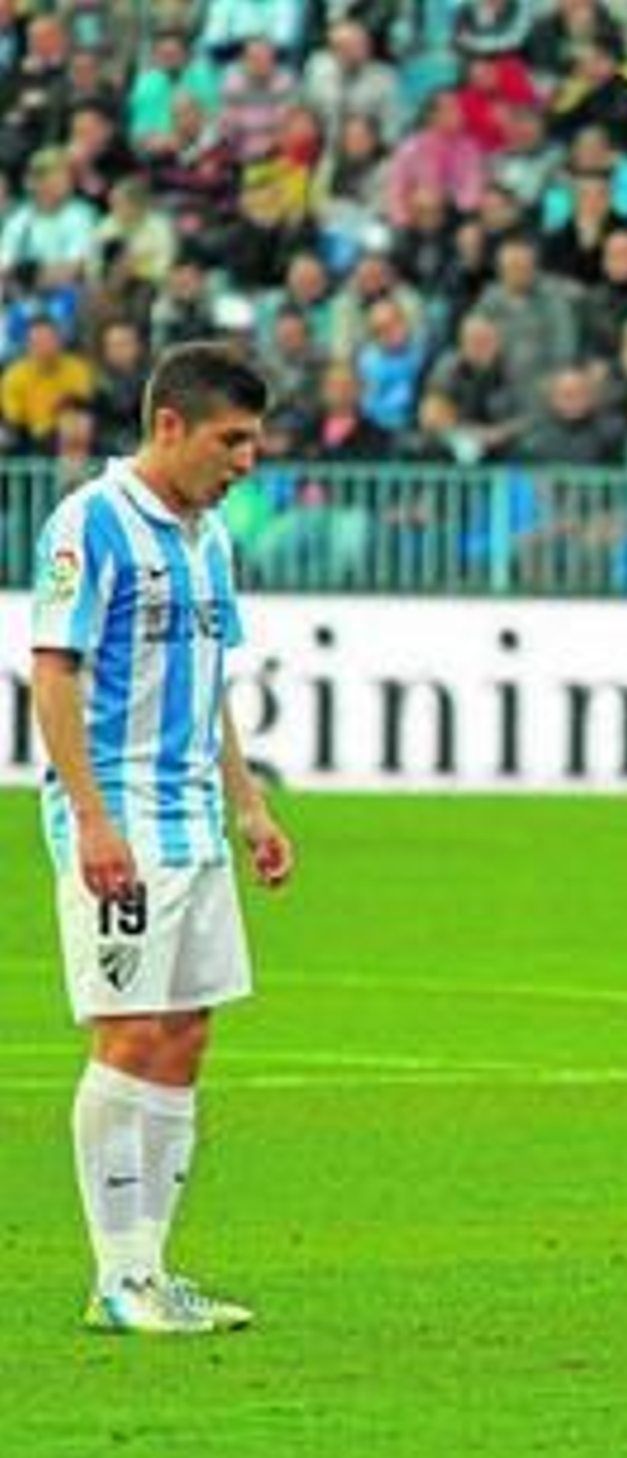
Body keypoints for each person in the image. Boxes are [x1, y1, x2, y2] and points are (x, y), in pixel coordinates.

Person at [30, 341, 295, 1335]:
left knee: (187, 1032)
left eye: (256, 441)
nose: (246, 461)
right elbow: (52, 674)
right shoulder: (90, 522)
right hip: (123, 818)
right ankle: (114, 1273)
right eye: (232, 440)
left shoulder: (209, 540)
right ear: (170, 426)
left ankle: (150, 1271)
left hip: (195, 818)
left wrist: (250, 801)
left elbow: (212, 680)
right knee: (130, 1030)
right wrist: (91, 818)